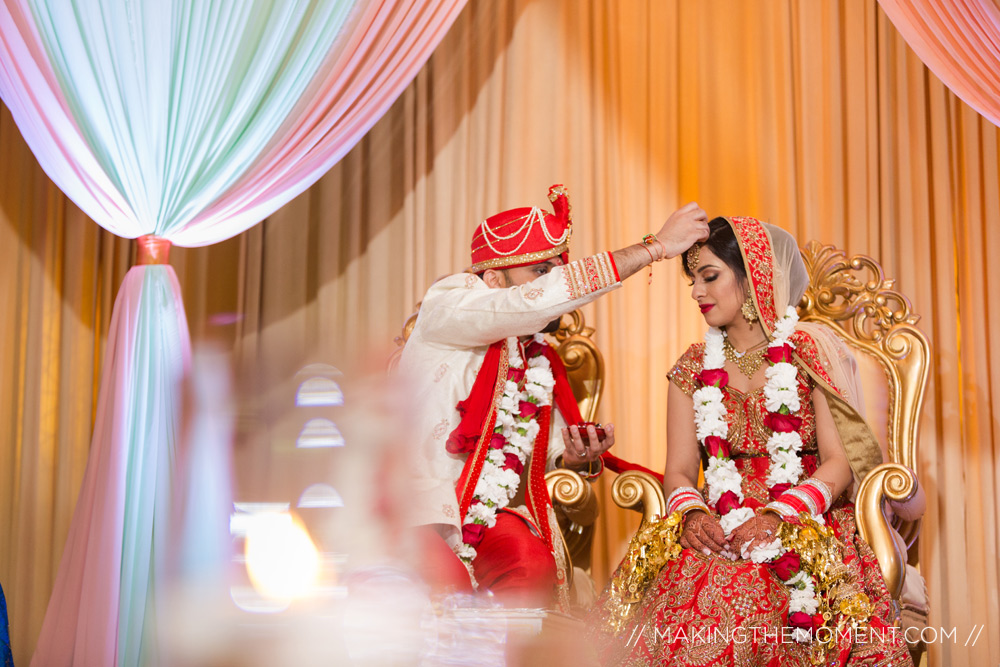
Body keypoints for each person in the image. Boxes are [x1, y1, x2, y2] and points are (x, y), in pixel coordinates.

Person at [592, 216, 912, 665]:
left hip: (802, 514)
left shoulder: (807, 351)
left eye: (709, 276)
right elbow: (681, 469)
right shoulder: (691, 367)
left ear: (754, 275)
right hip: (718, 518)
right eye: (692, 280)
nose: (696, 293)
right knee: (685, 590)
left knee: (751, 593)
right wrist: (692, 514)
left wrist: (778, 516)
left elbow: (839, 461)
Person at [398, 185, 708, 609]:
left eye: (557, 270)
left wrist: (576, 457)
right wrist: (654, 248)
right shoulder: (451, 304)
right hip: (418, 508)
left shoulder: (535, 357)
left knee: (530, 565)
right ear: (493, 278)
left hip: (484, 514)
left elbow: (537, 457)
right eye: (540, 272)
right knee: (442, 592)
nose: (554, 283)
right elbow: (536, 301)